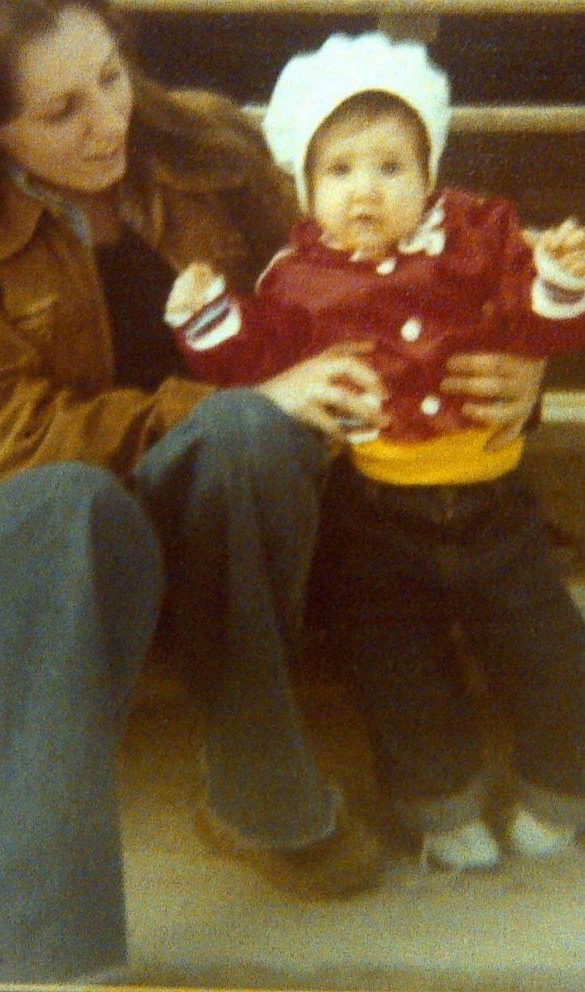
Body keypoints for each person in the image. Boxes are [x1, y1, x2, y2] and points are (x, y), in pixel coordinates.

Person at [0, 2, 545, 983]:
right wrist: (240, 395)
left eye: (109, 77)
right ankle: (18, 961)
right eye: (61, 111)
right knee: (61, 501)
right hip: (55, 531)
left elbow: (385, 291)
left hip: (242, 510)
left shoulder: (203, 147)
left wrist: (510, 375)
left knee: (246, 431)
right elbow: (6, 438)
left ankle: (255, 782)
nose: (108, 121)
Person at [165, 31, 585, 874]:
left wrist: (559, 282)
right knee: (401, 676)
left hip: (495, 507)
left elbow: (539, 325)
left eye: (392, 167)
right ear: (306, 187)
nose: (366, 191)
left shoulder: (480, 241)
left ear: (429, 172)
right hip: (373, 518)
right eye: (341, 171)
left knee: (548, 655)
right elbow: (256, 359)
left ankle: (559, 785)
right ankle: (441, 807)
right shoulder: (295, 278)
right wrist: (206, 317)